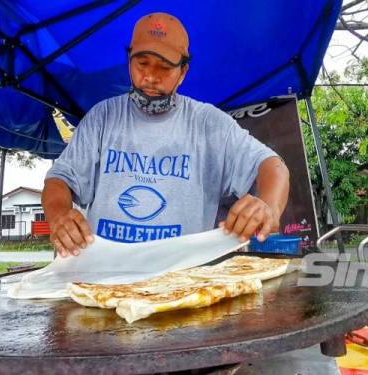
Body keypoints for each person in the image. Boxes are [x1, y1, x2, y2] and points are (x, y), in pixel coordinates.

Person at [42, 12, 290, 257]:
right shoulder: (102, 118)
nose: (150, 77)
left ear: (182, 72)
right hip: (105, 279)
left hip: (183, 282)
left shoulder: (208, 123)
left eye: (164, 67)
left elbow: (273, 166)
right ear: (129, 61)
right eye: (142, 64)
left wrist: (268, 206)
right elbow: (59, 180)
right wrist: (59, 216)